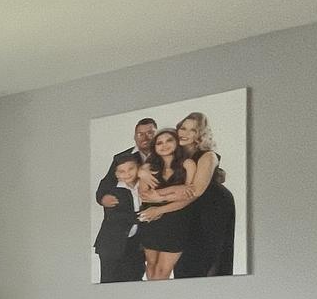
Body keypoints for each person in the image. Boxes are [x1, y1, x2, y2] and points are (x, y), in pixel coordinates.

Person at [173, 111, 236, 276]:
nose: (185, 133)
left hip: (213, 207)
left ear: (200, 135)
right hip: (188, 210)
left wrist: (159, 205)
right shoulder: (175, 155)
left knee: (207, 260)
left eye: (192, 130)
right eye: (183, 128)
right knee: (184, 264)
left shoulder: (208, 155)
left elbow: (196, 191)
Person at [133, 129, 196, 280]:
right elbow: (144, 195)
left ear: (176, 142)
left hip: (176, 221)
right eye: (159, 143)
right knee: (151, 265)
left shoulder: (188, 164)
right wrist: (174, 192)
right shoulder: (148, 168)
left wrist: (159, 205)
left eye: (169, 140)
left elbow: (189, 197)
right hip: (151, 221)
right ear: (154, 147)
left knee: (162, 271)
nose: (164, 145)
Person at [94, 154, 146, 282]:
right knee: (110, 281)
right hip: (112, 244)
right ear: (116, 174)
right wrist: (145, 216)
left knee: (134, 278)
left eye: (131, 169)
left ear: (139, 168)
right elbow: (116, 216)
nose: (127, 174)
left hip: (135, 245)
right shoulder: (112, 190)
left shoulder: (144, 186)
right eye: (122, 171)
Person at [96, 118, 157, 212]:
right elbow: (107, 182)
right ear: (135, 137)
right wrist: (103, 198)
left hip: (157, 209)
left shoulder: (166, 154)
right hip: (129, 213)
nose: (145, 137)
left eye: (150, 133)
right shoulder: (120, 157)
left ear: (157, 135)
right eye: (140, 134)